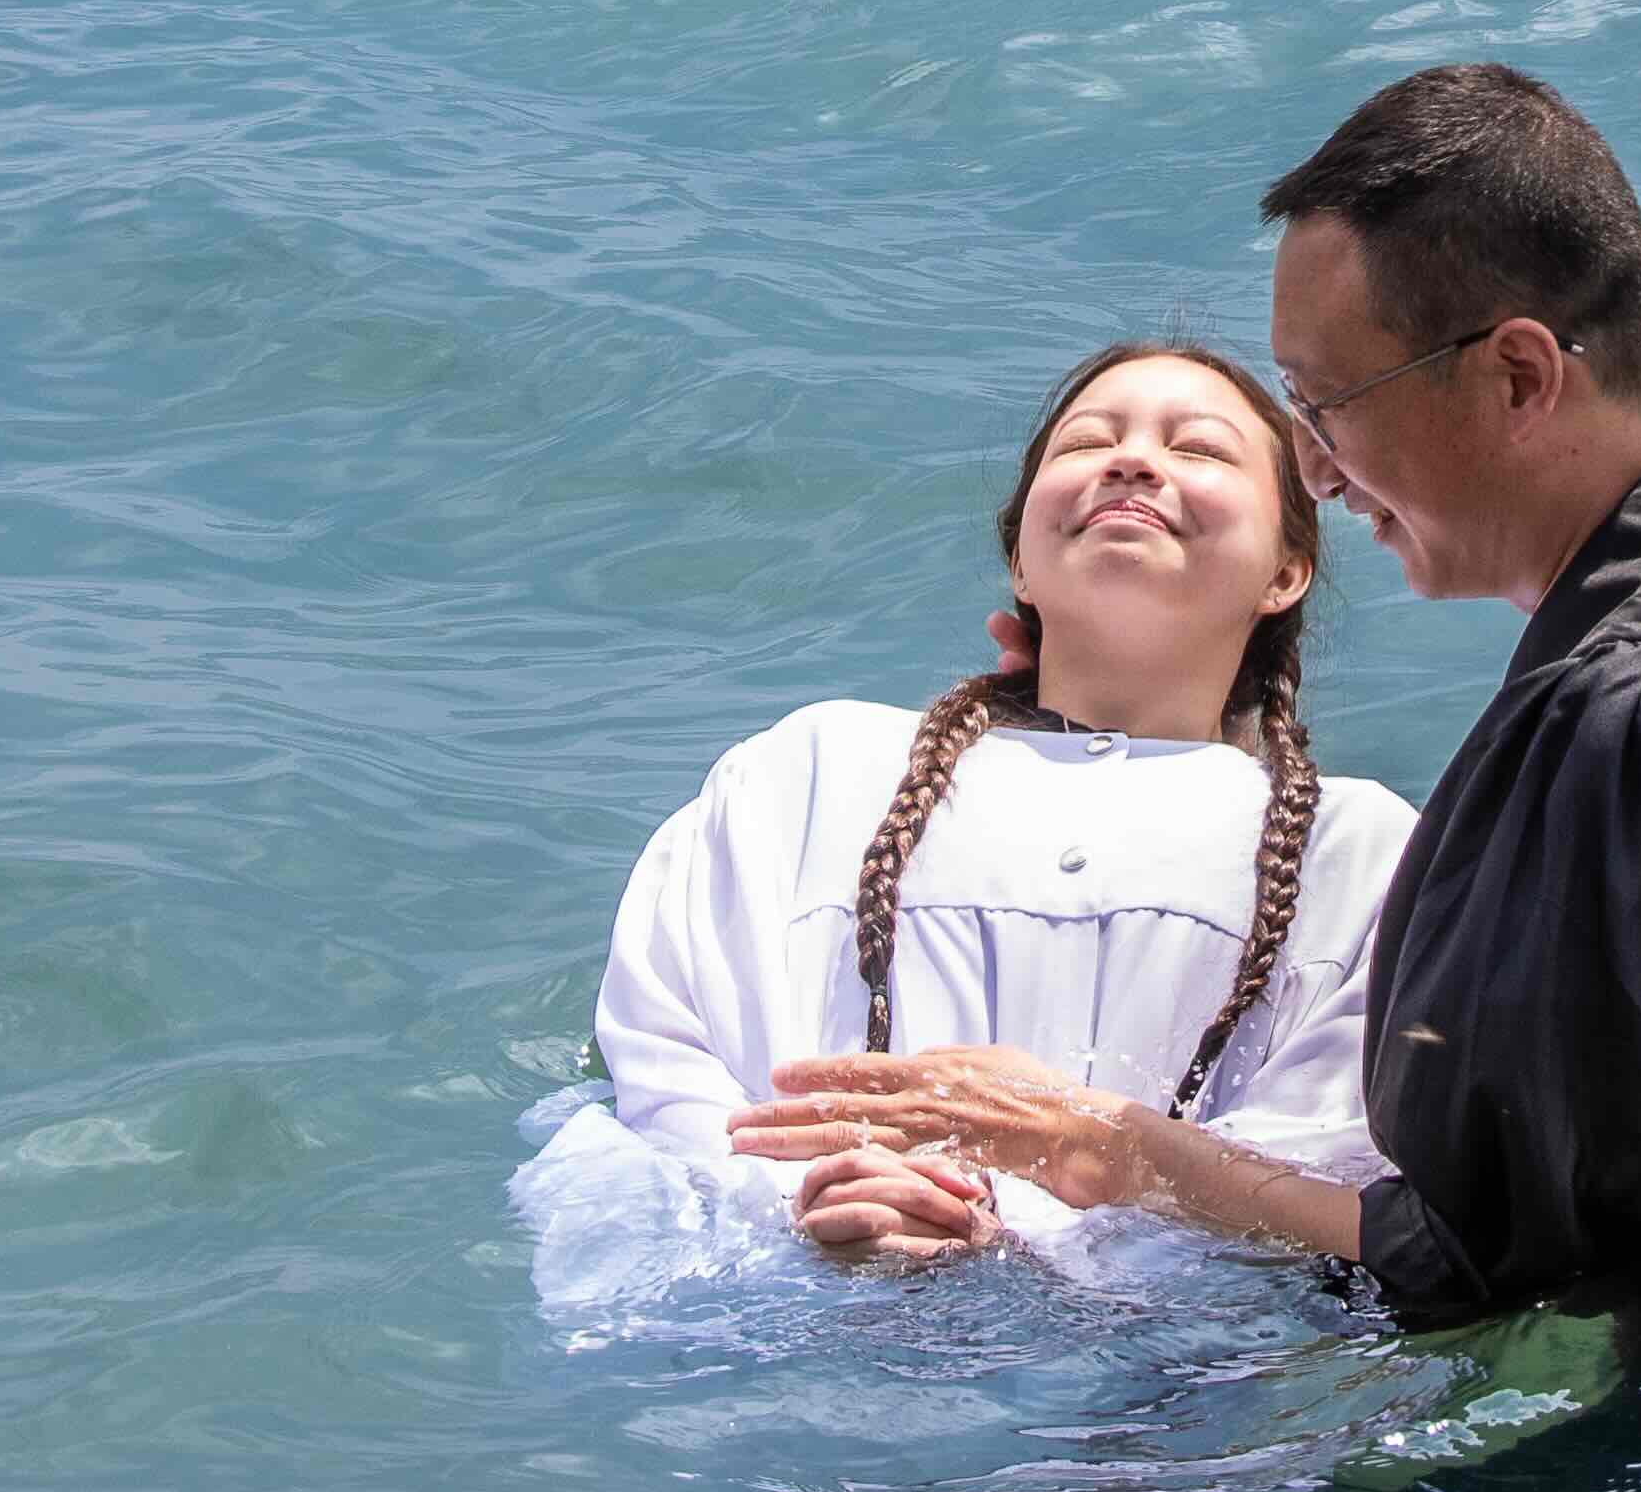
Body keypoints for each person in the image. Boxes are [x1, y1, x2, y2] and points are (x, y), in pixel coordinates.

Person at [734, 63, 1641, 1325]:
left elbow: (1503, 1263)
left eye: (1327, 405)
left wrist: (1103, 1147)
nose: (1317, 465)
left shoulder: (1640, 708)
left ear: (1516, 375)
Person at [606, 340, 1415, 1264]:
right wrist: (808, 1202)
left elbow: (1335, 1165)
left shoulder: (1359, 848)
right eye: (1087, 443)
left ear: (1286, 572)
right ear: (1021, 564)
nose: (1134, 460)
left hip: (1143, 1373)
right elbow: (664, 1062)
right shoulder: (812, 770)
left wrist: (1011, 1232)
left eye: (1199, 449)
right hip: (792, 1288)